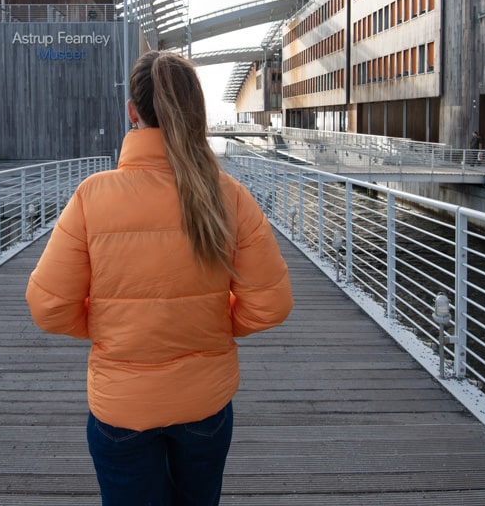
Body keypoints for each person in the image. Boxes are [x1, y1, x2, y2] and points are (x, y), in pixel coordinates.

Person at [26, 50, 293, 506]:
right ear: (196, 111)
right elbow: (270, 304)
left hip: (122, 408)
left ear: (133, 112)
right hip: (205, 405)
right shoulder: (230, 197)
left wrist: (112, 326)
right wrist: (209, 324)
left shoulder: (92, 197)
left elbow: (49, 307)